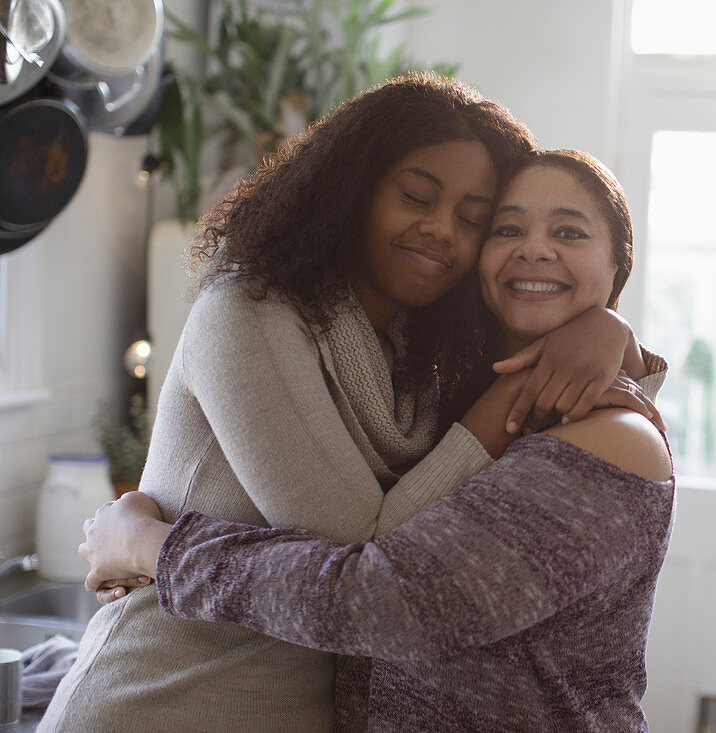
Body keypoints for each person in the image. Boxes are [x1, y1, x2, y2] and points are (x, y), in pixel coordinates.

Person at [40, 74, 663, 733]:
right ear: (353, 189)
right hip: (161, 705)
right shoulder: (248, 312)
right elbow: (360, 554)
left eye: (474, 219)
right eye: (416, 196)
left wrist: (607, 328)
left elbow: (397, 572)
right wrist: (521, 384)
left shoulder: (426, 353)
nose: (441, 229)